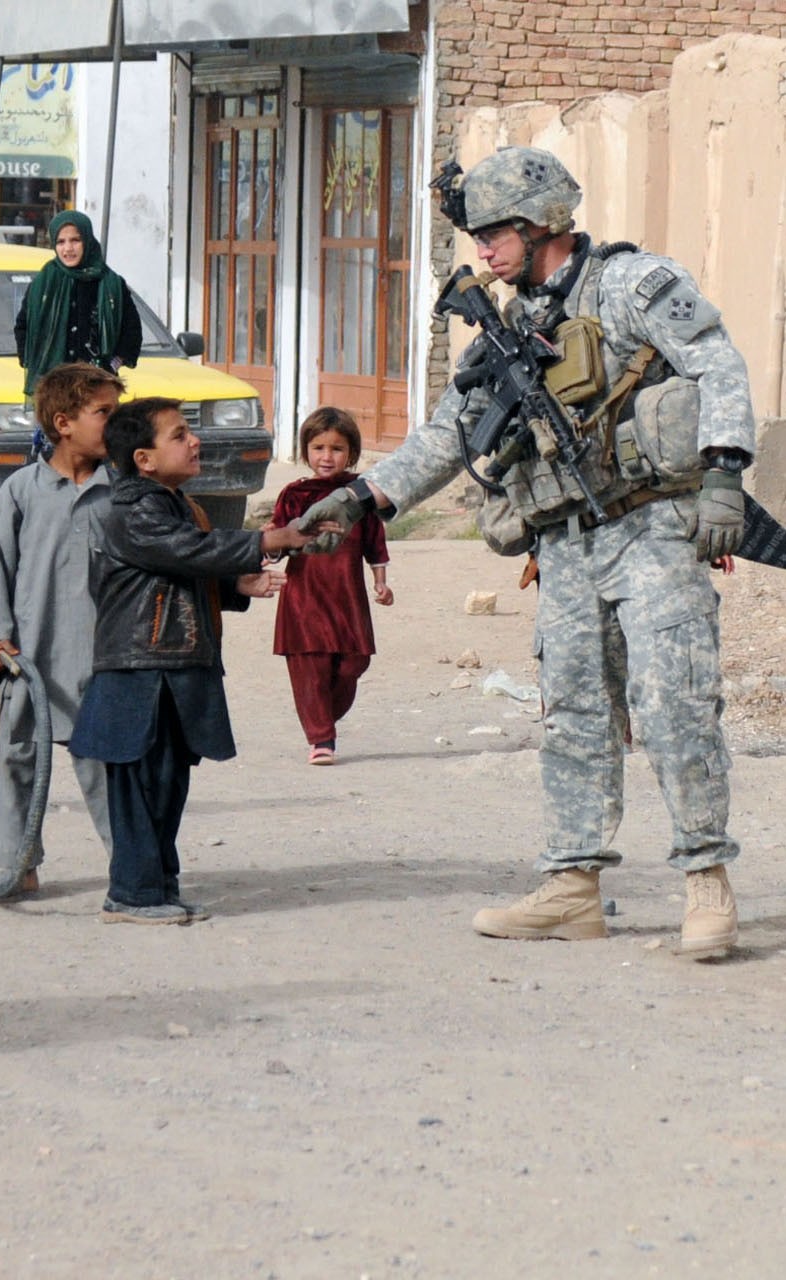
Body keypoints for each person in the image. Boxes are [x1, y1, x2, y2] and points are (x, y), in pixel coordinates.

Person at [298, 146, 753, 959]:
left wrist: (725, 470)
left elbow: (715, 361)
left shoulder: (629, 285)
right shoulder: (505, 323)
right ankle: (573, 885)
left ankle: (706, 882)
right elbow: (446, 436)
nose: (482, 250)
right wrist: (364, 497)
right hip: (565, 546)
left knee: (674, 703)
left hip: (650, 528)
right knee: (575, 715)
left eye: (493, 233)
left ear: (539, 223)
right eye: (476, 236)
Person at [69, 399, 311, 923]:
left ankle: (159, 886)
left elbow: (177, 567)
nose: (194, 441)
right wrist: (270, 539)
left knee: (168, 782)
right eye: (179, 435)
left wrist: (232, 584)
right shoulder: (133, 509)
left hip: (172, 664)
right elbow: (187, 550)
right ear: (144, 459)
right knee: (138, 783)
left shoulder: (172, 501)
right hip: (139, 667)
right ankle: (130, 895)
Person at [0, 362, 122, 905]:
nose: (115, 423)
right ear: (63, 422)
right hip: (30, 655)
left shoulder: (121, 490)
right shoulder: (21, 491)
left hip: (102, 657)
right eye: (104, 413)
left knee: (106, 764)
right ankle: (15, 866)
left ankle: (131, 869)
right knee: (17, 755)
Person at [269, 407, 392, 765]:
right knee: (310, 665)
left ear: (351, 453)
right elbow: (276, 538)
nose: (327, 457)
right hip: (303, 596)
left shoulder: (361, 494)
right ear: (306, 450)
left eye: (336, 449)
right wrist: (264, 560)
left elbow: (376, 543)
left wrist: (381, 583)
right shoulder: (294, 494)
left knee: (355, 662)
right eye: (318, 447)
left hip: (347, 596)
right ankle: (321, 737)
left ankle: (321, 715)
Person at [14, 210, 142, 398]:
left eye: (75, 240)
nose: (68, 249)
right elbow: (23, 327)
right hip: (53, 389)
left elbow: (131, 331)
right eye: (60, 242)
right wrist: (34, 362)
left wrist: (111, 364)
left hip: (97, 388)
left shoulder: (110, 283)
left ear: (87, 241)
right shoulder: (43, 283)